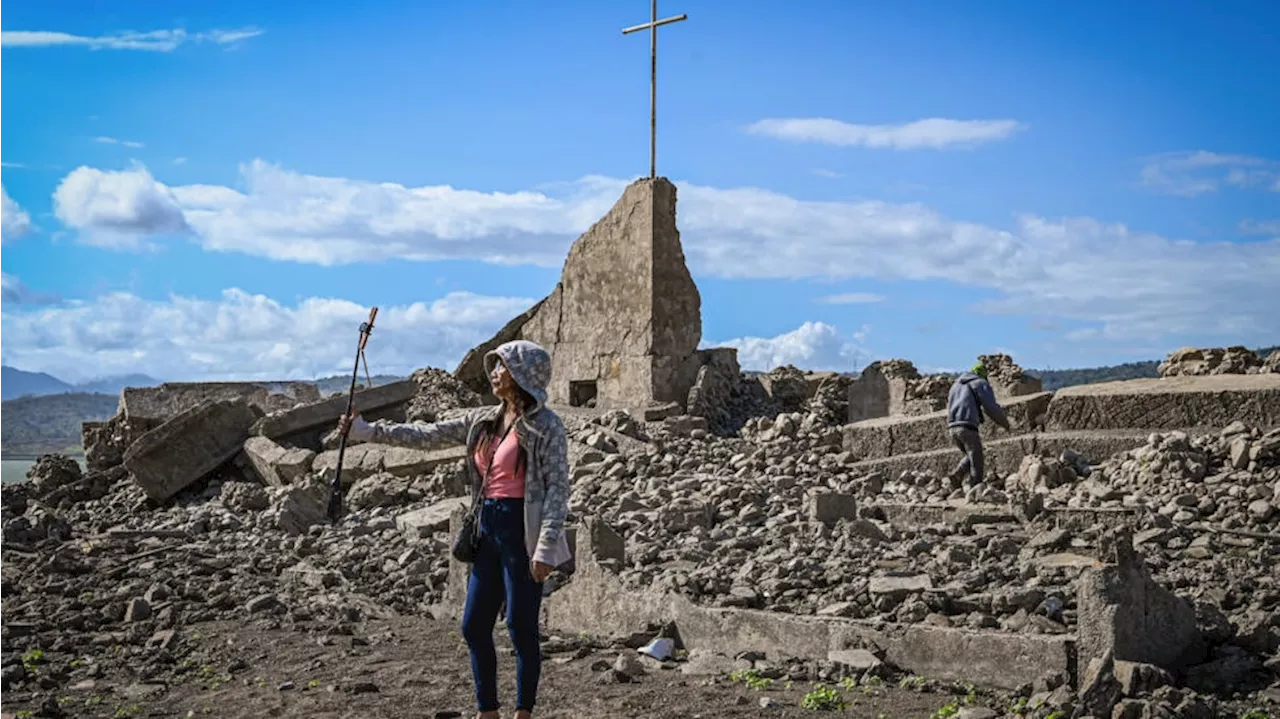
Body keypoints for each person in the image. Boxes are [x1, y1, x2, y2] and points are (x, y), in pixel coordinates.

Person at [337, 339, 571, 719]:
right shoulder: (482, 419)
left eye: (502, 366)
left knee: (520, 626)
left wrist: (545, 547)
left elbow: (559, 488)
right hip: (487, 529)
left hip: (522, 533)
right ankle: (487, 711)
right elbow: (426, 435)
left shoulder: (547, 426)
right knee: (474, 626)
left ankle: (523, 712)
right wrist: (367, 431)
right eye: (494, 365)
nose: (493, 372)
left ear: (523, 375)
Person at [946, 361, 1011, 487]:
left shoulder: (955, 386)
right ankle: (976, 488)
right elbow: (991, 408)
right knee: (977, 460)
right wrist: (1005, 423)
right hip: (967, 426)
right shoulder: (980, 383)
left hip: (952, 427)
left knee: (971, 454)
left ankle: (958, 474)